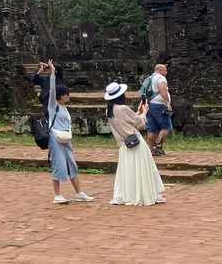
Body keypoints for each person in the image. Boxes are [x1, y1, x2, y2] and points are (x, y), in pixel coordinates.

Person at [34, 60, 92, 204]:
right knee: (58, 164)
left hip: (66, 138)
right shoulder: (53, 107)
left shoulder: (64, 108)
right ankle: (57, 194)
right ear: (61, 96)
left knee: (72, 164)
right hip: (55, 138)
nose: (69, 95)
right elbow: (52, 90)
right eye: (67, 94)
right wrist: (52, 73)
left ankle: (79, 192)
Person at [104, 81, 165, 205]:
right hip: (136, 142)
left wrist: (138, 112)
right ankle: (145, 194)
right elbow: (140, 123)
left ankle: (129, 194)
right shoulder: (123, 108)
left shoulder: (109, 111)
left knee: (128, 172)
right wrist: (145, 111)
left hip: (124, 145)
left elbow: (129, 120)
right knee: (143, 168)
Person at [144, 63, 173, 156]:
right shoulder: (160, 78)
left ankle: (151, 149)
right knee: (166, 127)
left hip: (151, 105)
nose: (166, 72)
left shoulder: (148, 79)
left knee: (152, 129)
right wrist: (167, 102)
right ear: (160, 70)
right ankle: (158, 147)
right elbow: (162, 89)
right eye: (165, 70)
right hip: (160, 105)